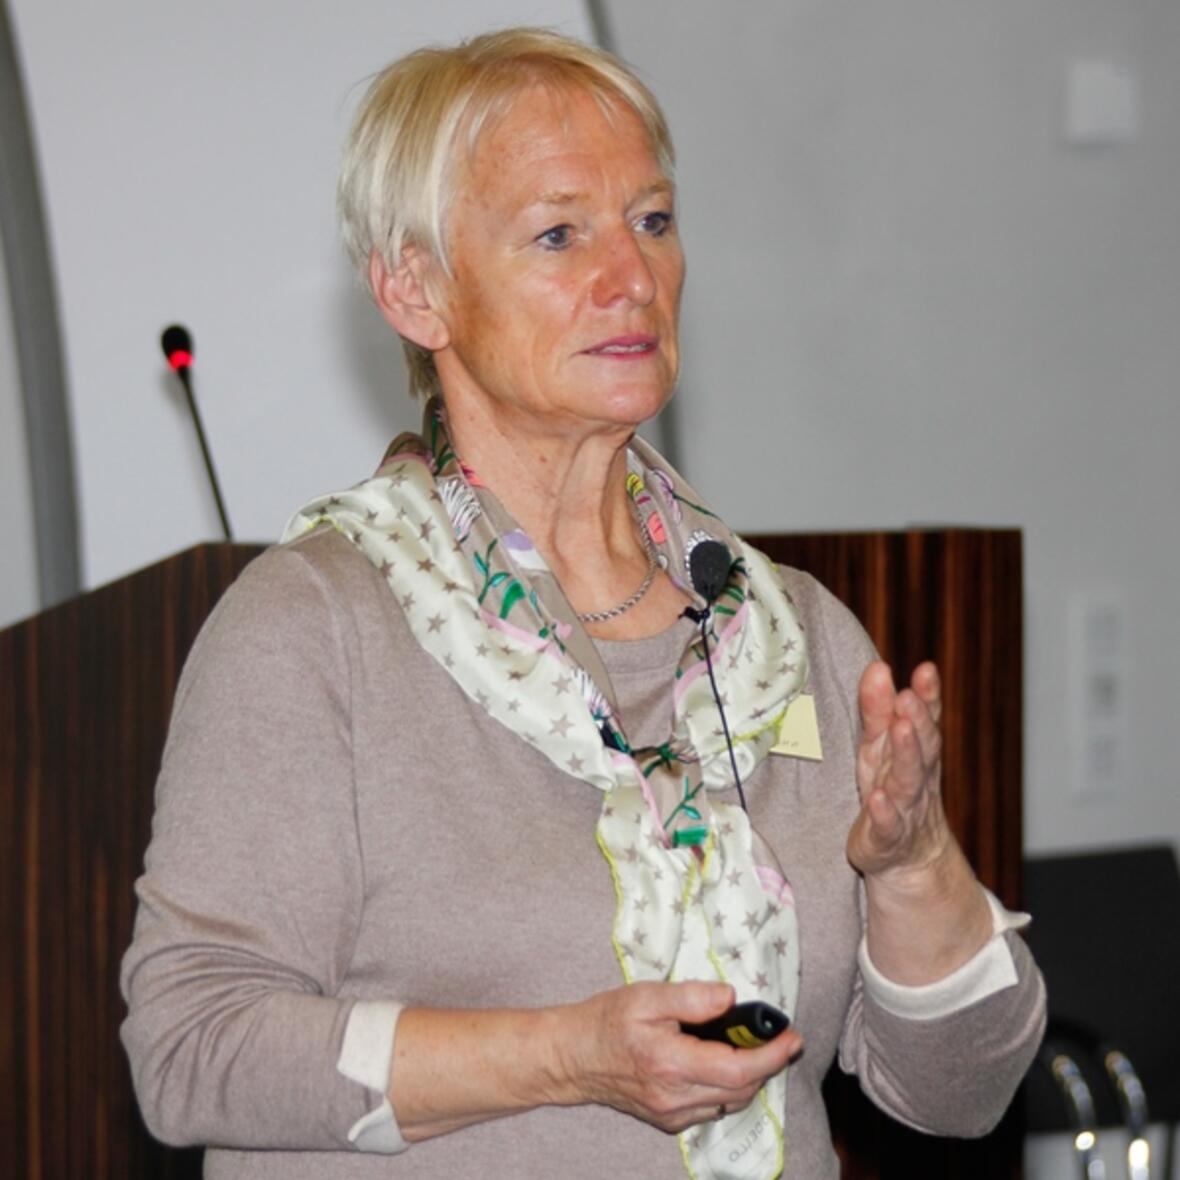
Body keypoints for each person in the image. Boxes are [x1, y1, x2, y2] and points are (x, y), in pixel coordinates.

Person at [120, 27, 1045, 1180]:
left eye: (651, 220)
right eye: (559, 234)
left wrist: (911, 867)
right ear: (416, 290)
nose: (631, 276)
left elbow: (961, 1091)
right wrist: (564, 1054)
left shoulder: (786, 632)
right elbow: (191, 1048)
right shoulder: (314, 626)